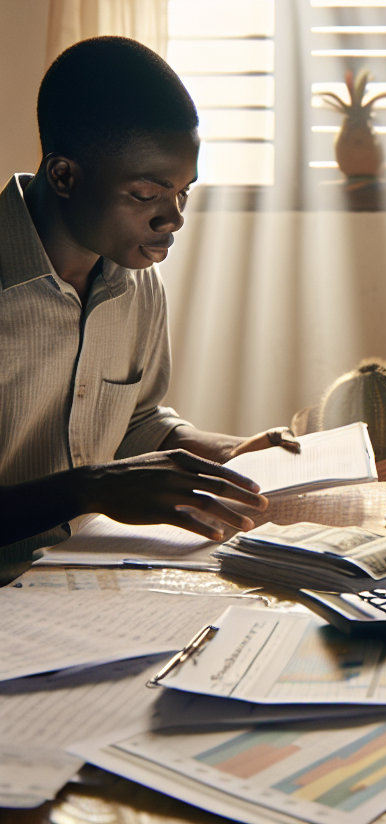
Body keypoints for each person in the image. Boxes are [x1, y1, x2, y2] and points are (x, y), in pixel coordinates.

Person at [0, 36, 299, 584]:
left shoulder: (135, 281)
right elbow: (98, 478)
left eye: (184, 192)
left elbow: (137, 419)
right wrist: (88, 488)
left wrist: (223, 452)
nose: (175, 218)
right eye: (147, 194)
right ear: (64, 175)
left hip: (91, 575)